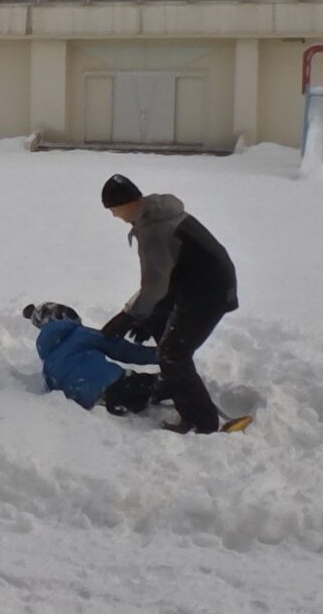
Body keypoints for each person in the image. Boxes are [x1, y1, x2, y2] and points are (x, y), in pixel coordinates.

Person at [98, 174, 238, 434]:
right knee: (160, 327)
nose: (114, 216)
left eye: (114, 209)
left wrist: (127, 316)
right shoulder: (156, 213)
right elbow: (168, 275)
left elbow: (155, 285)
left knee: (173, 354)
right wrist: (149, 316)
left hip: (209, 290)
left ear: (127, 203)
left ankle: (201, 420)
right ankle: (173, 385)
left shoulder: (154, 230)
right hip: (195, 282)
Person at [23, 302, 162, 416]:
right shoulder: (80, 334)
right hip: (119, 387)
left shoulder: (47, 365)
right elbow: (124, 351)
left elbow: (54, 395)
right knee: (165, 383)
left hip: (94, 405)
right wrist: (162, 355)